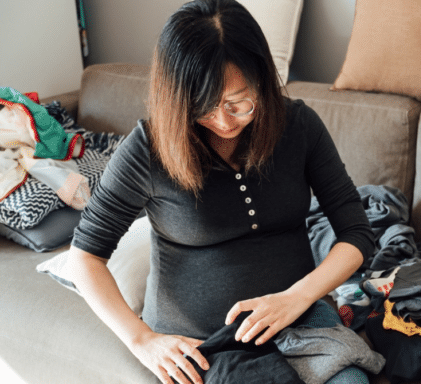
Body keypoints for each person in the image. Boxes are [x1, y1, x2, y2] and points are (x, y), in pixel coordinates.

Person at [65, 1, 375, 383]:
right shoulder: (149, 149)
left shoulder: (298, 126)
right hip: (198, 343)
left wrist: (296, 298)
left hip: (298, 319)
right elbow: (84, 257)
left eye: (238, 102)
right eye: (203, 107)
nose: (223, 121)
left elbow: (357, 233)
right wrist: (141, 339)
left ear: (261, 78)